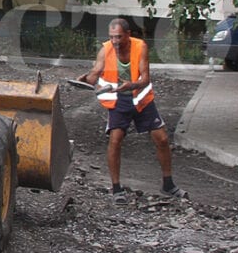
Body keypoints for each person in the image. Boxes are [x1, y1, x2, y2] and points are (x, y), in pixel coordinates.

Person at [78, 18, 187, 203]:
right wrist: (85, 79)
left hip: (141, 99)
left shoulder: (140, 47)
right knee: (115, 139)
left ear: (128, 35)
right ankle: (116, 188)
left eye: (119, 37)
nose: (115, 41)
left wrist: (131, 85)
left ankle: (168, 183)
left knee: (162, 138)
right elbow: (96, 71)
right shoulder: (106, 50)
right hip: (119, 101)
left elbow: (145, 78)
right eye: (112, 37)